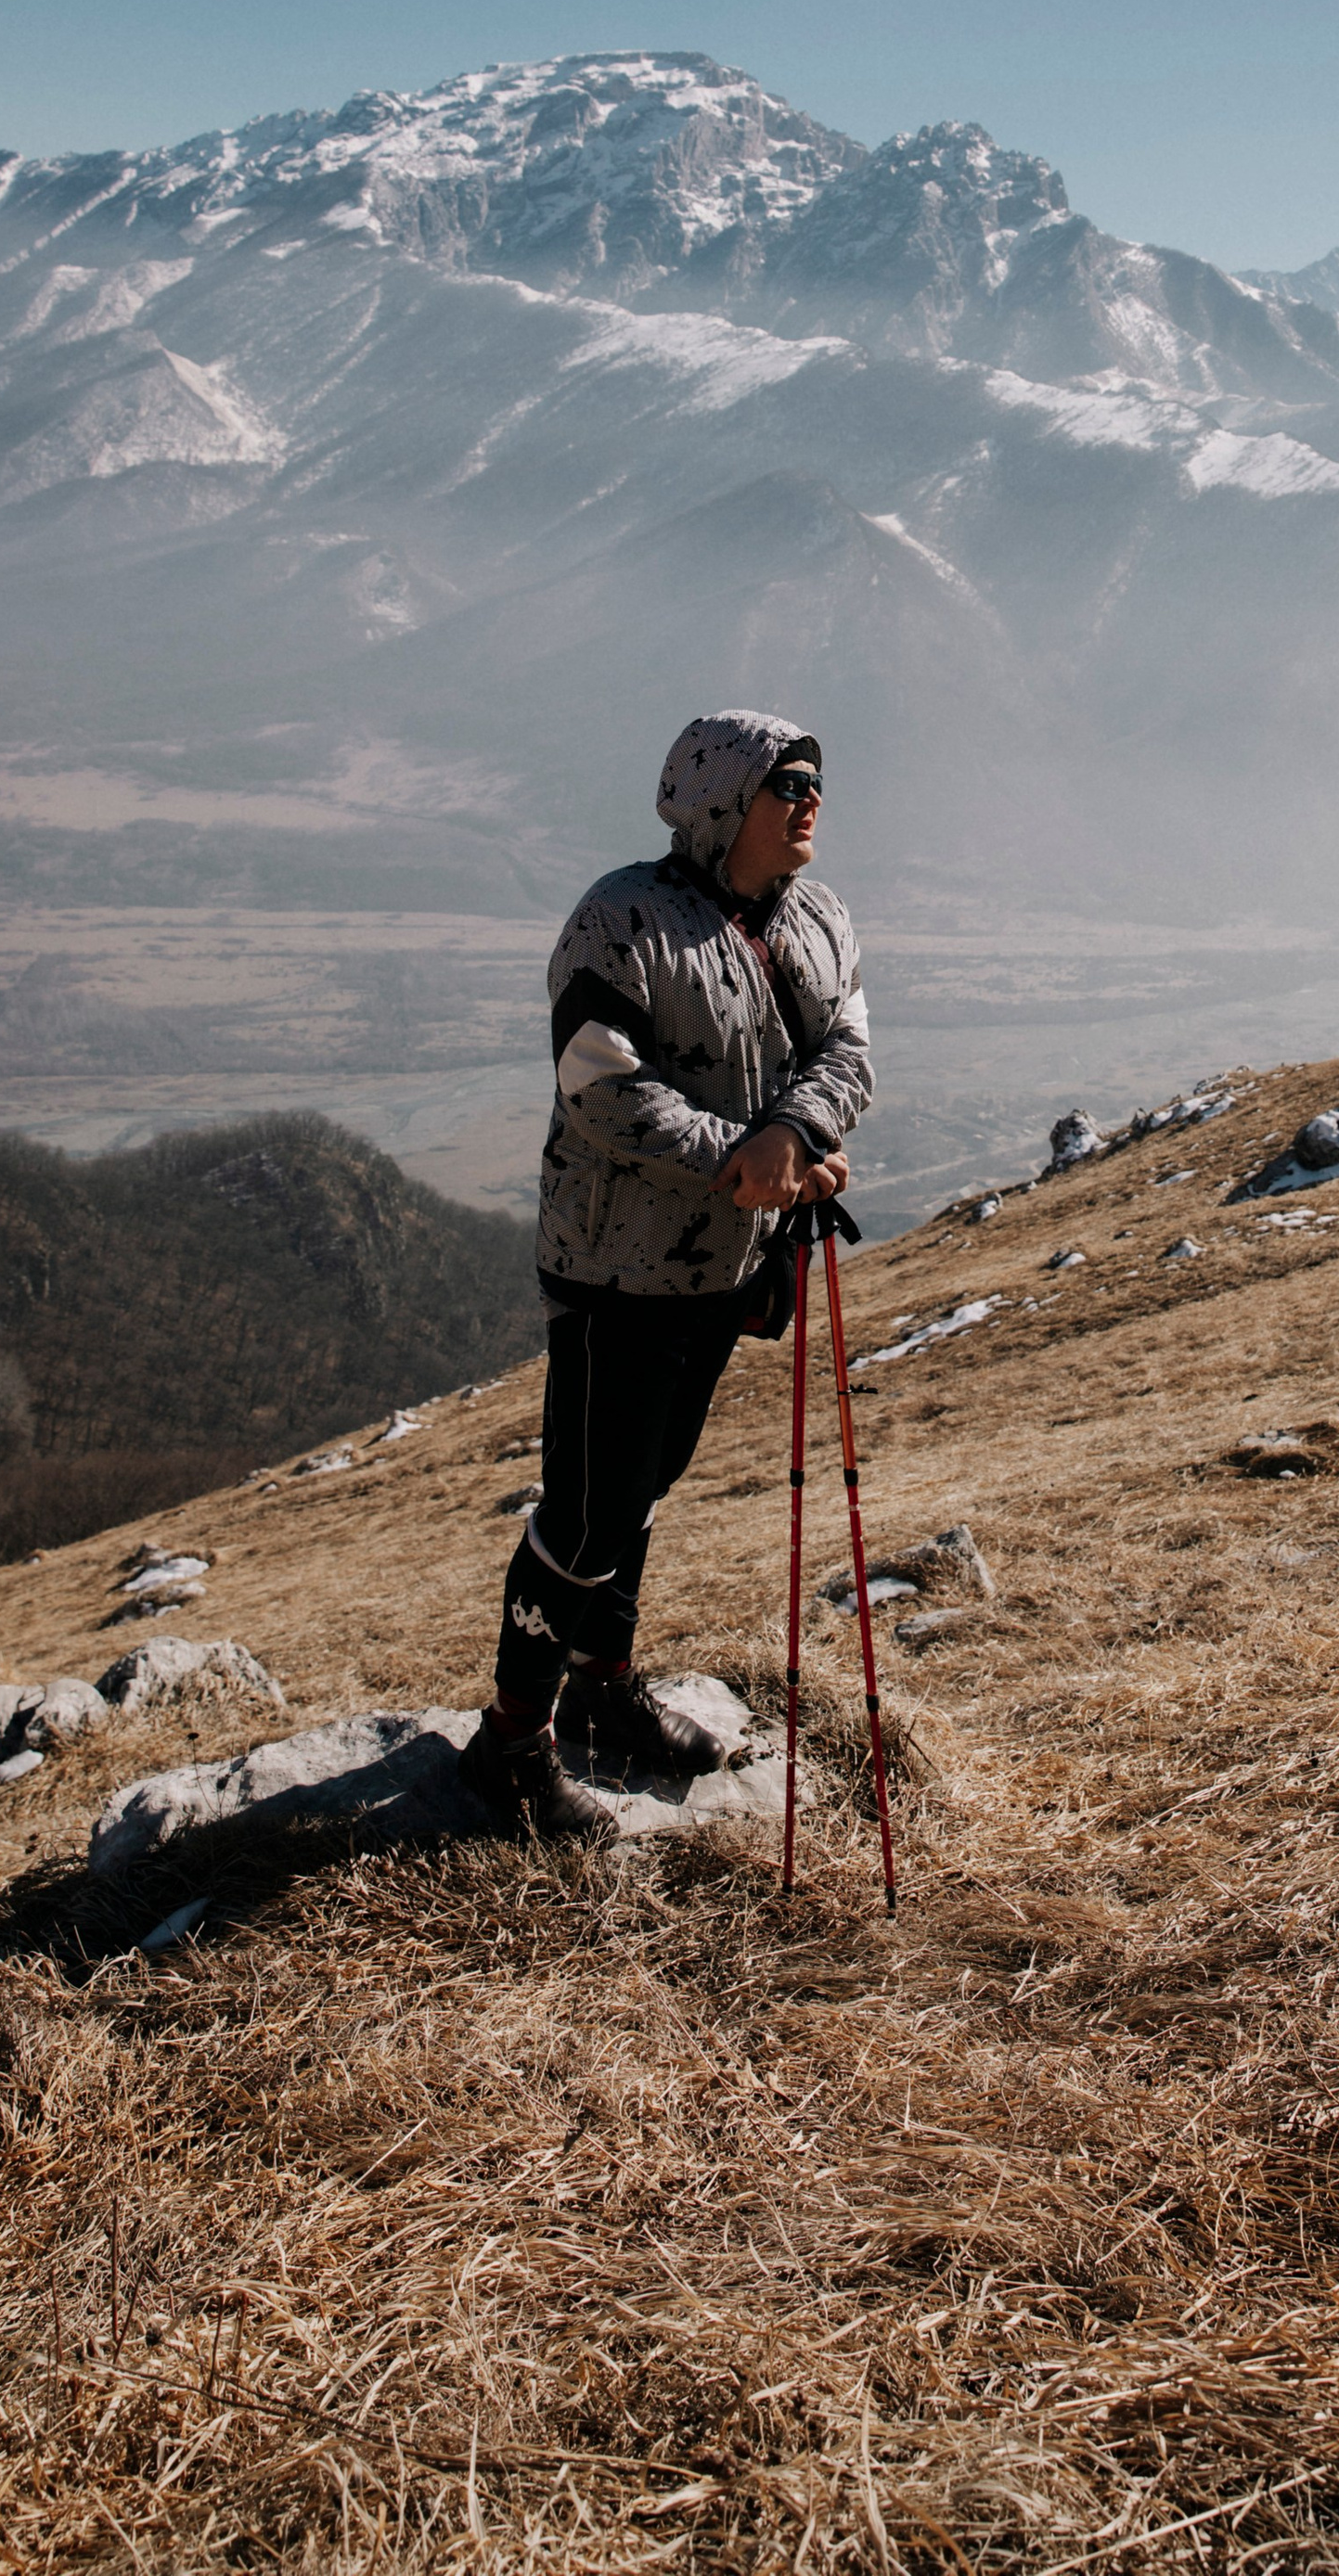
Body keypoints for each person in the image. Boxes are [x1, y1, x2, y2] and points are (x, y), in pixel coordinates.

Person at [463, 708, 872, 1837]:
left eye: (814, 781)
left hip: (725, 1261)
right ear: (722, 801)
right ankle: (511, 1742)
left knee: (641, 1491)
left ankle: (600, 1687)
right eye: (786, 783)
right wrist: (743, 1158)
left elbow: (846, 1049)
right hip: (617, 1264)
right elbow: (597, 1084)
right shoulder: (621, 920)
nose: (809, 800)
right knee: (588, 1514)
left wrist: (792, 1134)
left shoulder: (819, 918)